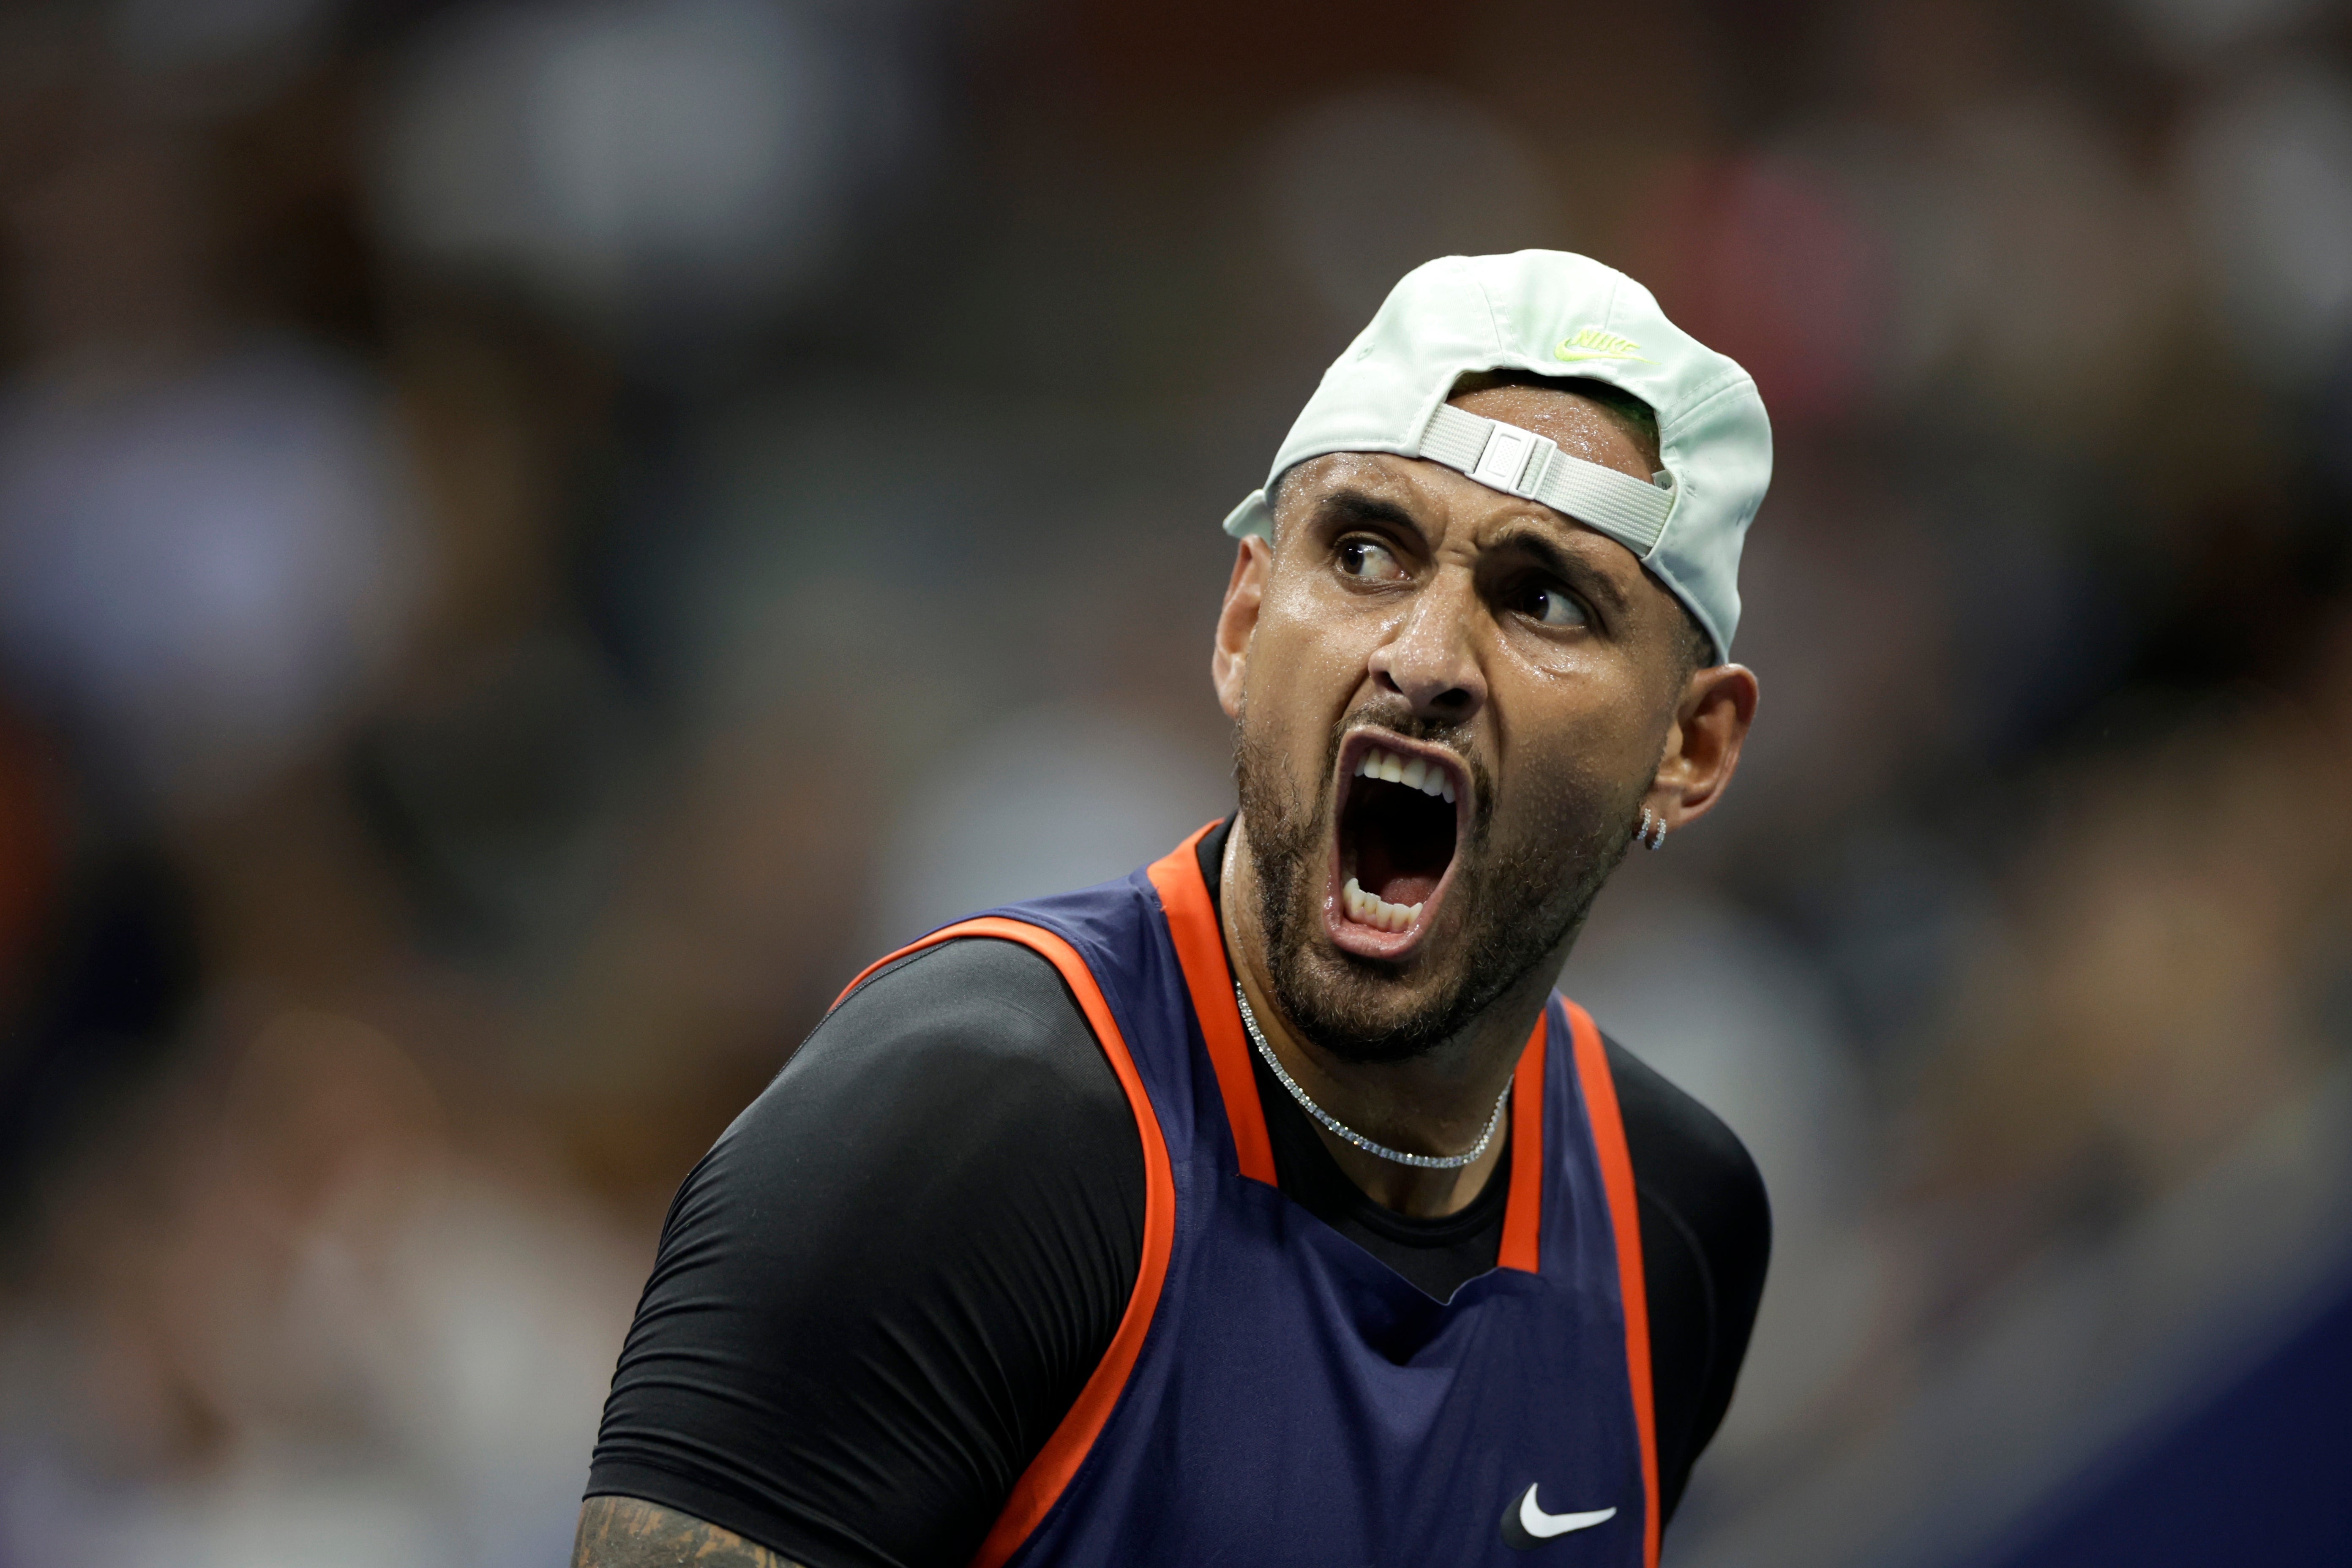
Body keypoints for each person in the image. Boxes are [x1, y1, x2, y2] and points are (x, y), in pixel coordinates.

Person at [576, 251, 1774, 1568]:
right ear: (1246, 620)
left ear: (1692, 746)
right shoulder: (960, 1136)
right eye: (1367, 552)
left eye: (1542, 598)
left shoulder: (1675, 1221)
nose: (1423, 660)